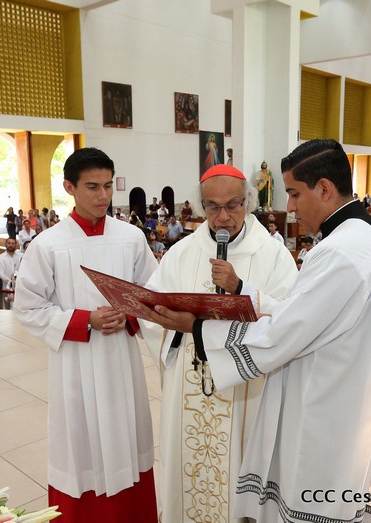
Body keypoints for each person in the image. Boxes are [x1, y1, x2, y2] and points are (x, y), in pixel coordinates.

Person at [142, 139, 371, 522]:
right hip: (338, 395)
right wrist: (229, 300)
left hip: (325, 405)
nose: (290, 206)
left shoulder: (329, 252)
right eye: (212, 207)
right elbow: (301, 315)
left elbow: (283, 333)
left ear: (324, 189)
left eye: (294, 194)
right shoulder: (362, 238)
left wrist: (196, 328)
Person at [138, 164, 297, 523]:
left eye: (232, 205)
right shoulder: (182, 253)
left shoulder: (272, 255)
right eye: (212, 207)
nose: (223, 217)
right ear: (202, 207)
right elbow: (154, 314)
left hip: (247, 390)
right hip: (190, 381)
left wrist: (241, 291)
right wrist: (172, 323)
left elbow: (289, 320)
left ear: (248, 203)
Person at [13, 147, 158, 522]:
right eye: (92, 187)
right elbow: (27, 307)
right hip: (76, 365)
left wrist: (130, 314)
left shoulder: (131, 238)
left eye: (108, 186)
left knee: (127, 437)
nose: (103, 195)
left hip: (122, 363)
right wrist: (85, 320)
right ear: (69, 188)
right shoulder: (48, 244)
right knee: (82, 444)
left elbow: (152, 294)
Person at [0, 238, 22, 309]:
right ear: (5, 244)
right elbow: (0, 273)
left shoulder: (21, 256)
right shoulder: (0, 258)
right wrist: (11, 282)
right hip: (6, 287)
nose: (11, 245)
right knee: (7, 309)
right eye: (9, 243)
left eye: (13, 243)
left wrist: (16, 281)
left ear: (15, 245)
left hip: (19, 287)